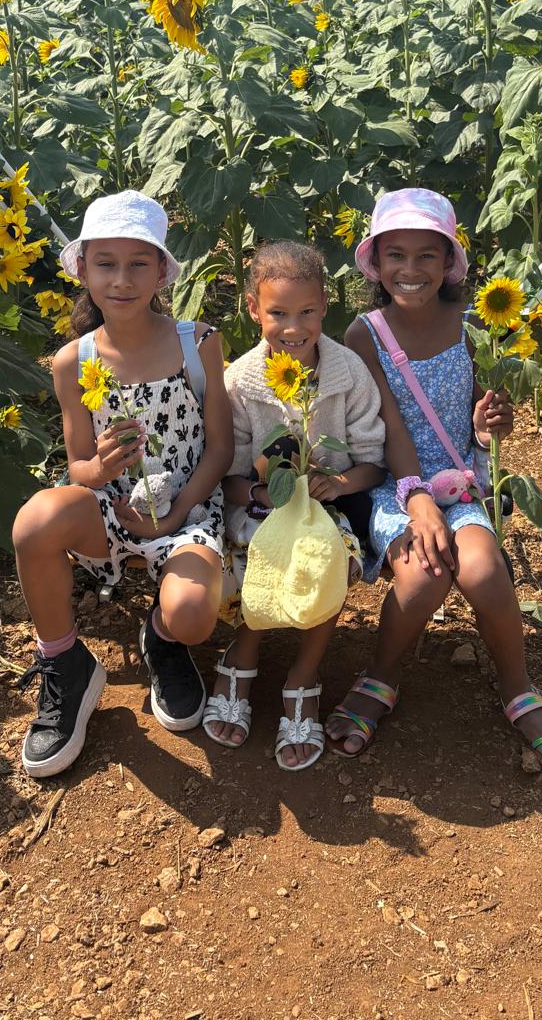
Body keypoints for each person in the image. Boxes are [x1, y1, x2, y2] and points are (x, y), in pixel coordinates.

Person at [325, 188, 542, 776]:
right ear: (376, 262)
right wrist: (417, 500)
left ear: (449, 264)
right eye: (397, 255)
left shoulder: (473, 326)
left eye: (426, 256)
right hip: (392, 485)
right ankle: (381, 676)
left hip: (459, 481)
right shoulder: (364, 334)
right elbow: (387, 423)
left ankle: (517, 687)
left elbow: (481, 418)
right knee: (422, 579)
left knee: (487, 571)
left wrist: (491, 422)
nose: (411, 270)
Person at [11, 192, 233, 778]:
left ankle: (162, 640)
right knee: (34, 519)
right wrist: (103, 470)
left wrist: (179, 509)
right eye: (105, 263)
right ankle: (64, 663)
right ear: (82, 269)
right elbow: (78, 464)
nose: (122, 279)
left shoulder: (198, 343)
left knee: (192, 615)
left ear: (162, 270)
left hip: (187, 510)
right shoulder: (73, 361)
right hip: (110, 510)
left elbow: (221, 446)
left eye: (139, 264)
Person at [208, 241, 385, 770]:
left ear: (325, 306)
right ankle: (244, 652)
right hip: (257, 508)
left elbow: (373, 461)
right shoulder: (239, 382)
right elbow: (228, 477)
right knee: (267, 552)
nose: (294, 327)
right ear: (252, 308)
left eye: (307, 311)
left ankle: (303, 673)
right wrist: (265, 490)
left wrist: (340, 481)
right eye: (278, 313)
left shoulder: (347, 373)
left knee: (324, 554)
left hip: (328, 509)